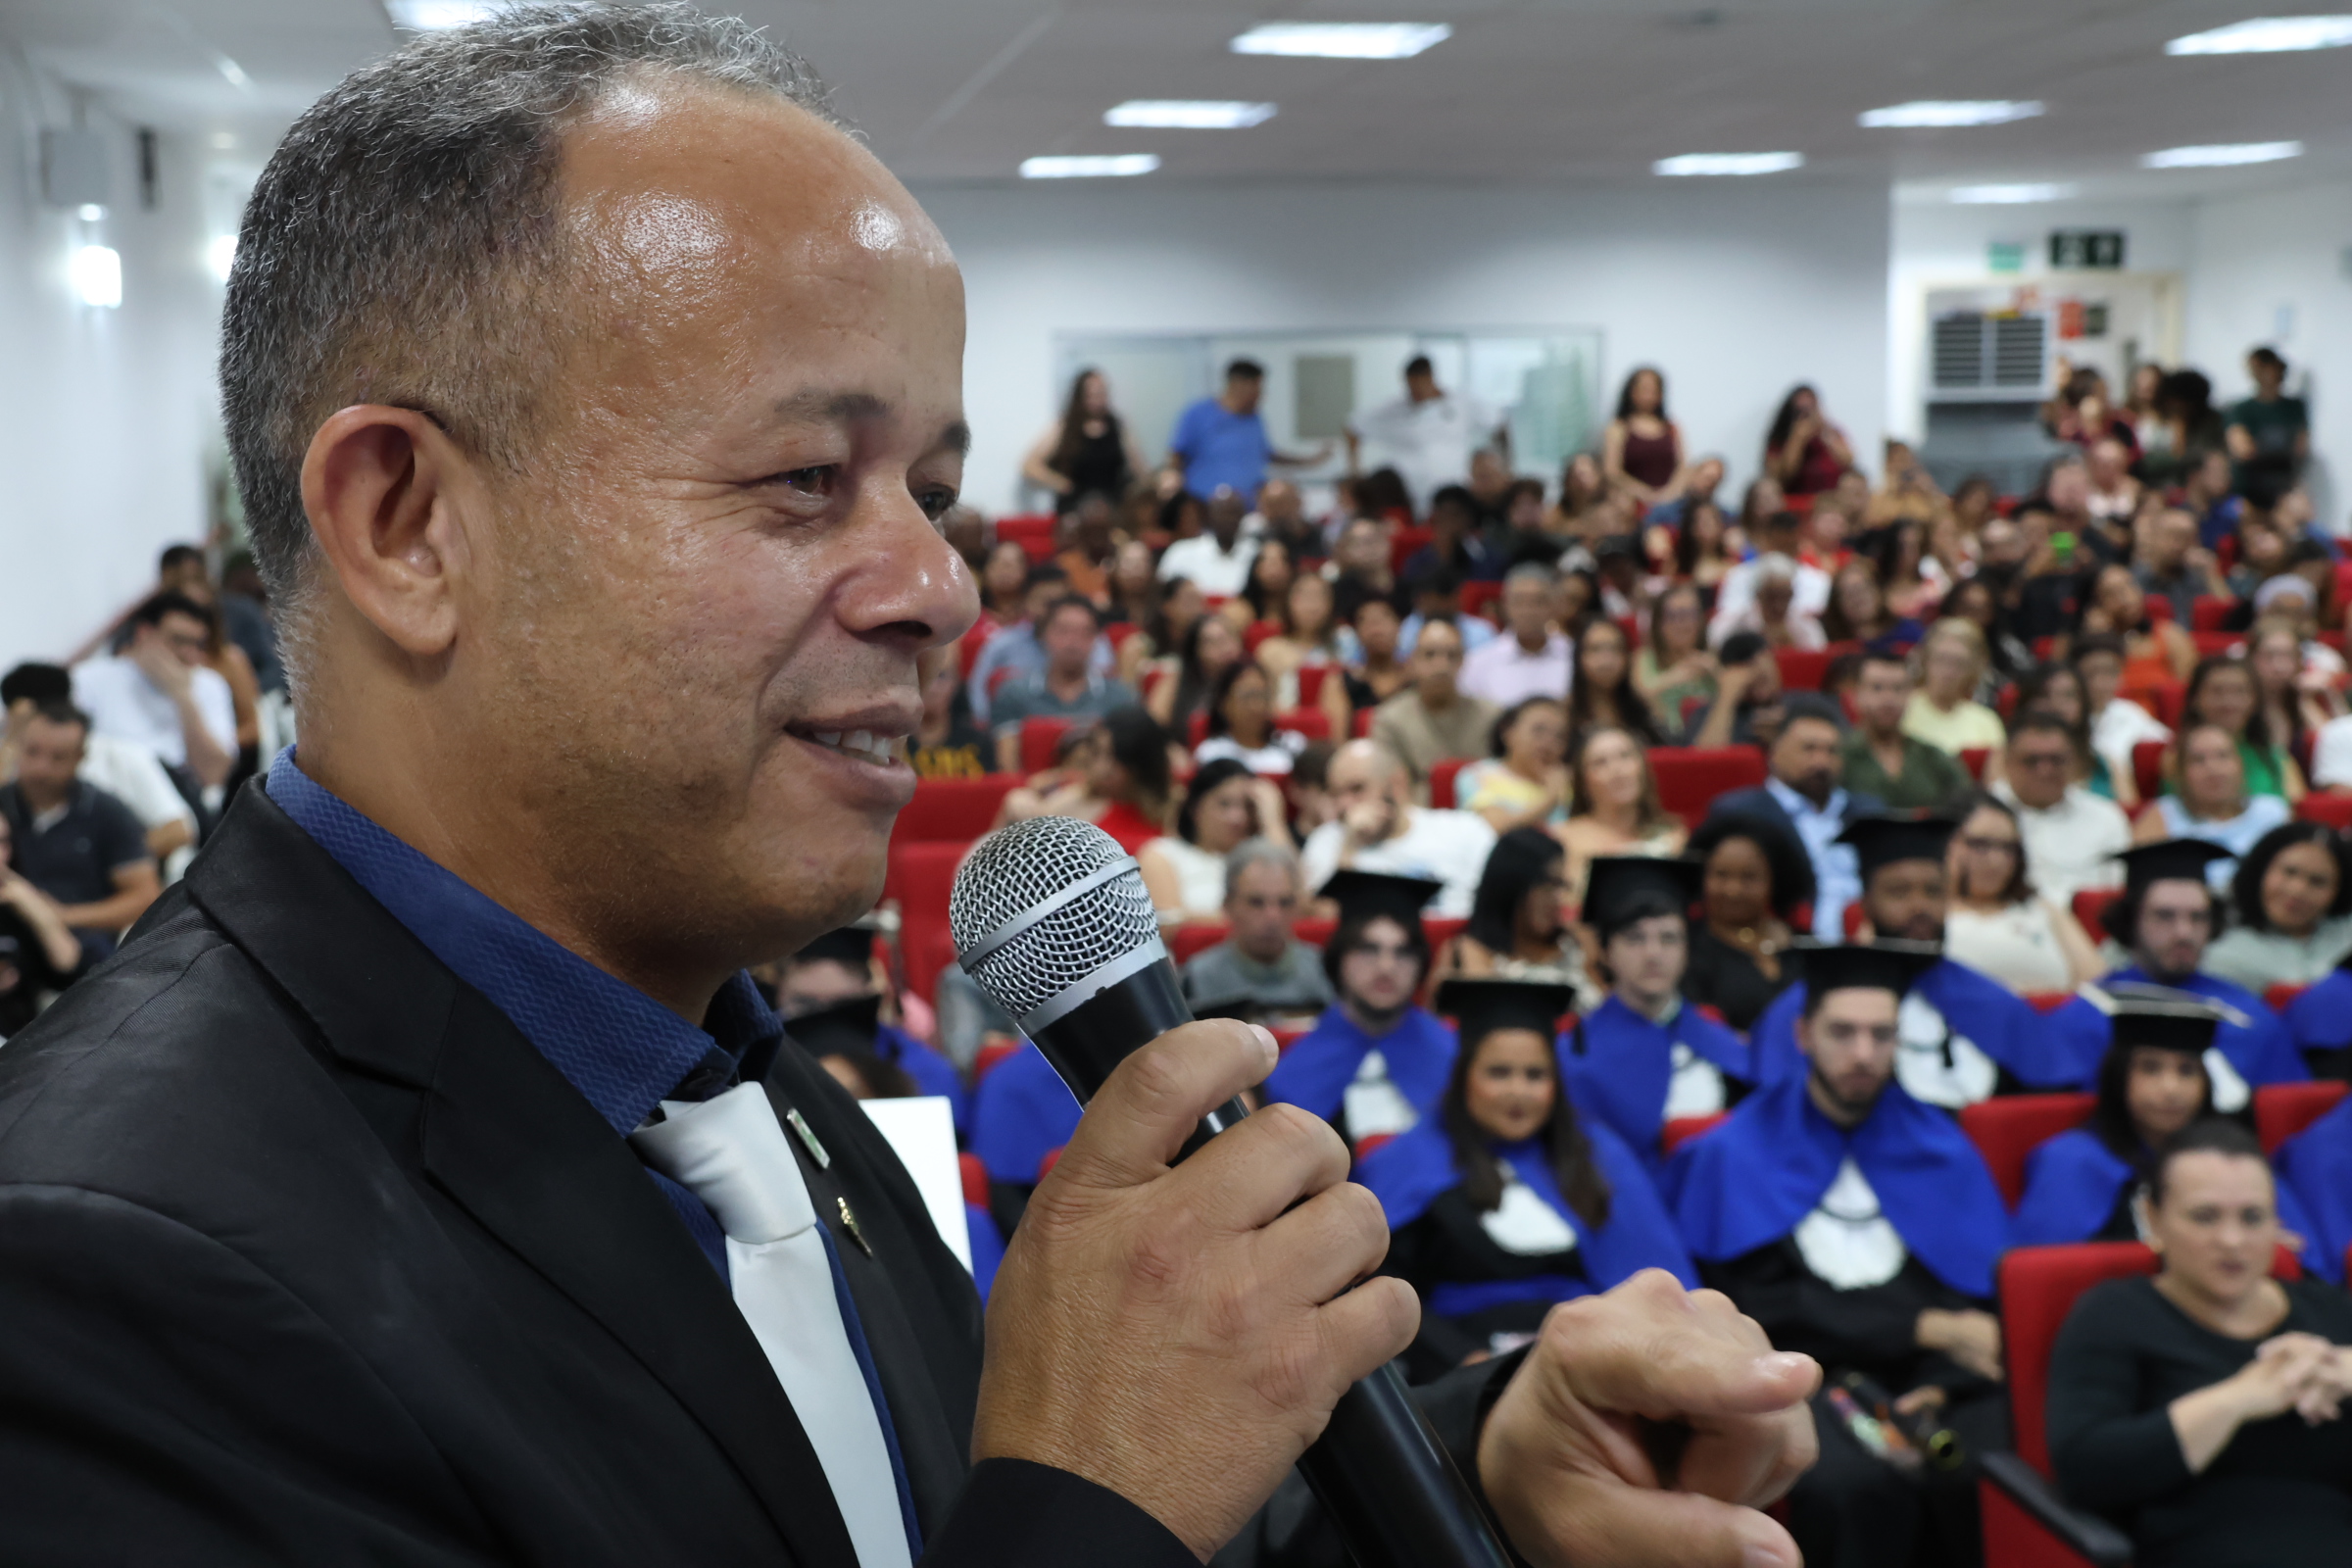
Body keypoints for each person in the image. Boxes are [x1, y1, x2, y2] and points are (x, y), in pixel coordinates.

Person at [0, 14, 1823, 1566]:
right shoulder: (95, 1282)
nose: (941, 585)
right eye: (807, 479)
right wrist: (1087, 1507)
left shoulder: (728, 1070)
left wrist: (1476, 1475)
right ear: (408, 524)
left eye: (933, 493)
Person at [1670, 943, 2011, 1568]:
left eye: (1882, 1034)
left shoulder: (1942, 1148)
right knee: (1852, 1488)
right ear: (1803, 1034)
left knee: (1984, 1467)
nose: (1863, 1054)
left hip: (1930, 1378)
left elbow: (1973, 1297)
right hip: (1801, 1376)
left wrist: (1940, 1384)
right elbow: (1755, 1307)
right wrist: (1922, 1326)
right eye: (1843, 1032)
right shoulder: (1735, 1153)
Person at [2047, 1119, 2352, 1567]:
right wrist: (2239, 1399)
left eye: (2253, 1218)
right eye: (2205, 1217)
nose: (2232, 1241)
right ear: (2153, 1219)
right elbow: (2085, 1470)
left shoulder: (2326, 1310)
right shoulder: (2113, 1314)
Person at [1362, 977, 1696, 1382]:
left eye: (1535, 1075)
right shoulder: (1412, 1161)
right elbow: (1383, 1289)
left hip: (1589, 1355)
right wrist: (1461, 1359)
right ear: (1464, 1076)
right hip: (1467, 1368)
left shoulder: (1596, 1154)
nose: (1518, 1091)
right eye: (1499, 1073)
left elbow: (1650, 1278)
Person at [1746, 813, 2075, 1107]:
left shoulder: (1986, 996)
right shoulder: (1820, 1000)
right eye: (1899, 892)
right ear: (1866, 903)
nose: (1920, 906)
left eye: (1933, 891)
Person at [2045, 841, 2309, 1108]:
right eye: (2164, 916)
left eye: (2198, 917)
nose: (2184, 932)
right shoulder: (2085, 1016)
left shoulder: (2252, 1015)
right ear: (2131, 920)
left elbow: (2287, 1109)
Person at [1558, 857, 1751, 1168]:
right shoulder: (1576, 1054)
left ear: (1687, 949)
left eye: (1669, 938)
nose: (1653, 954)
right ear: (1605, 952)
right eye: (1634, 938)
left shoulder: (1722, 1040)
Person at [1263, 869, 1458, 1156]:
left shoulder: (1453, 1057)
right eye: (1369, 949)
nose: (1386, 967)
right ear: (1340, 957)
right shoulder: (1294, 1072)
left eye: (1403, 952)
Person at [2010, 987, 2227, 1247]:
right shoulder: (2072, 1164)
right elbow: (2047, 1266)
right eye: (2150, 1068)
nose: (2171, 1089)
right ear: (2118, 1077)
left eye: (2187, 1070)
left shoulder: (2224, 1160)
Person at [1704, 699, 1882, 939]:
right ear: (1775, 752)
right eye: (1809, 749)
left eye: (1831, 751)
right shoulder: (1742, 814)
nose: (1821, 762)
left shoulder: (1869, 814)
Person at [0, 703, 161, 963]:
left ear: (80, 757)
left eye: (57, 757)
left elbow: (144, 896)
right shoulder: (4, 804)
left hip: (85, 944)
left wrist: (62, 915)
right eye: (32, 752)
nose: (41, 768)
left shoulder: (107, 812)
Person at [1, 662, 199, 872]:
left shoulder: (120, 755)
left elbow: (179, 830)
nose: (42, 768)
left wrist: (111, 861)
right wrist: (12, 742)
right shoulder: (12, 762)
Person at [774, 924, 967, 1134]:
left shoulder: (924, 1070)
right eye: (804, 1003)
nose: (824, 1020)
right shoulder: (757, 1060)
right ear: (779, 993)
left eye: (843, 1006)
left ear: (870, 993)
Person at [1298, 739, 1497, 918]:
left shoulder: (1465, 830)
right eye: (1336, 794)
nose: (1344, 805)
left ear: (1397, 784)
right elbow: (1326, 919)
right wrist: (1350, 845)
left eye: (1357, 789)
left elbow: (1501, 906)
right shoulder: (1327, 840)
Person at [70, 589, 240, 795]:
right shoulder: (90, 679)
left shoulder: (209, 685)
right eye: (179, 640)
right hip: (115, 792)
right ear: (144, 634)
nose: (189, 654)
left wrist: (183, 697)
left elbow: (214, 775)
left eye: (198, 644)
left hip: (185, 793)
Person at [1940, 791, 2104, 995]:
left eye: (2008, 848)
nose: (1996, 860)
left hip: (2053, 1012)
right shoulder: (1931, 913)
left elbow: (2100, 982)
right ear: (1944, 842)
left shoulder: (2043, 909)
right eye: (1980, 844)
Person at [1177, 838, 1334, 1022]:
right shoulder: (1196, 980)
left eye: (1285, 902)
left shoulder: (1328, 974)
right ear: (1228, 906)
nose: (1273, 917)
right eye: (1256, 902)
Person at [1684, 812, 1813, 1033]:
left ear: (1774, 880)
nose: (1733, 890)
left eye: (1749, 877)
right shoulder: (1688, 950)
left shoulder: (1804, 945)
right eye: (1721, 875)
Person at [1992, 710, 2134, 902]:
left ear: (2074, 762)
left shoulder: (2106, 817)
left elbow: (2115, 894)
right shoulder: (1983, 819)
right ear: (2008, 763)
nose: (2045, 771)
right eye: (2032, 761)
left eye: (2056, 760)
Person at [987, 596, 1138, 772]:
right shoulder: (1014, 693)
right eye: (1063, 631)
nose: (1073, 642)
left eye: (1084, 633)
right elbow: (1008, 768)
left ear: (1096, 639)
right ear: (1043, 634)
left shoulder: (1120, 697)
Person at [998, 705, 1173, 855]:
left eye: (1115, 760)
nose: (1102, 769)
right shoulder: (1079, 798)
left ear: (1140, 764)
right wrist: (1017, 802)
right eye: (1097, 753)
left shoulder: (1172, 809)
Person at [1345, 355, 1504, 514]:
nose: (1415, 392)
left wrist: (1503, 463)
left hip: (1452, 492)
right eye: (1410, 386)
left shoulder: (1461, 402)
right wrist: (1355, 470)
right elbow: (1353, 428)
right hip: (1409, 496)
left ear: (1430, 379)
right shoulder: (1395, 408)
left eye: (1419, 385)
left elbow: (1499, 424)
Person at [2203, 823, 2352, 994]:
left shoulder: (2347, 939)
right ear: (2260, 870)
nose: (2298, 891)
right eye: (2289, 872)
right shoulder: (2220, 955)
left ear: (2340, 890)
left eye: (2317, 881)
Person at [1138, 758, 1289, 922]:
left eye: (1247, 806)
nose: (1237, 817)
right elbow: (1168, 922)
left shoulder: (1258, 857)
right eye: (1224, 804)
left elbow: (1296, 905)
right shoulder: (1162, 855)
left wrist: (1273, 821)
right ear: (1195, 808)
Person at [1446, 826, 1588, 997]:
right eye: (1547, 885)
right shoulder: (1470, 952)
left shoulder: (1577, 944)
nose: (1558, 899)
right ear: (1511, 886)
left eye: (1561, 885)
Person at [2133, 723, 2292, 871]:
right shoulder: (2163, 814)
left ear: (2241, 764)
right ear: (2181, 772)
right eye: (2198, 760)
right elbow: (2143, 877)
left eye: (2223, 756)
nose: (2212, 769)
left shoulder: (2272, 812)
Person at [1168, 358, 1327, 504]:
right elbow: (1176, 457)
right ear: (1238, 385)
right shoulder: (1198, 414)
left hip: (1248, 506)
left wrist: (1309, 461)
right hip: (1206, 505)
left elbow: (1267, 454)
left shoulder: (1254, 419)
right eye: (1257, 388)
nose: (1261, 395)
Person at [1369, 618, 1500, 788]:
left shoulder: (1491, 716)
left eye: (1452, 655)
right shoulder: (1389, 720)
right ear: (1412, 661)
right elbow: (1388, 787)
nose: (1441, 665)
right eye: (1429, 655)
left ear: (1463, 661)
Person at [1840, 651, 1967, 809]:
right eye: (1877, 688)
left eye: (1898, 689)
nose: (1888, 699)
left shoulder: (1932, 756)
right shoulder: (1838, 755)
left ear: (1911, 695)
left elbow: (1970, 804)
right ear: (1856, 695)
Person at [0, 808, 86, 1035]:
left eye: (3, 842)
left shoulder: (17, 902)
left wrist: (34, 907)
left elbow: (68, 970)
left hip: (22, 1038)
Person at [1021, 368, 1144, 514]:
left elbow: (1139, 471)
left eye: (1102, 393)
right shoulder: (1065, 428)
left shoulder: (1118, 427)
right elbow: (1030, 466)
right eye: (1092, 395)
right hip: (1074, 512)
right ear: (1080, 397)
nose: (1098, 400)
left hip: (1112, 511)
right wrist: (1062, 484)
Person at [1457, 563, 1569, 706]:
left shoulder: (1573, 656)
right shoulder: (1477, 664)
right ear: (1505, 606)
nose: (1528, 610)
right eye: (1519, 601)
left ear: (1554, 606)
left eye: (1538, 602)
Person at [1457, 696, 1570, 833]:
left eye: (1559, 736)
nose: (1548, 743)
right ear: (1509, 733)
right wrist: (1550, 798)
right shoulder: (1479, 775)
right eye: (1539, 730)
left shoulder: (1569, 781)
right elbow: (1496, 828)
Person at [1899, 619, 2005, 759]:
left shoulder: (1987, 721)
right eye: (1941, 659)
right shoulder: (1902, 708)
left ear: (1972, 670)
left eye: (1958, 663)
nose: (1948, 672)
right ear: (1925, 661)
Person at [2226, 345, 2311, 504]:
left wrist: (2262, 452)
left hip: (2284, 488)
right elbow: (2244, 451)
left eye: (2265, 368)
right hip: (2247, 490)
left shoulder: (2295, 407)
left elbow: (2300, 450)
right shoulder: (2240, 409)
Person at [1192, 660, 1308, 775]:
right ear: (1223, 703)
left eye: (1263, 696)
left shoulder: (1292, 745)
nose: (1256, 706)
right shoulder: (1213, 753)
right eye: (1247, 696)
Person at [1561, 617, 1661, 746]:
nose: (1607, 660)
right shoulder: (1564, 714)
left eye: (1615, 649)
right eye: (1595, 649)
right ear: (1579, 656)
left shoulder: (1643, 710)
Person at [1636, 580, 1717, 733]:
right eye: (1672, 616)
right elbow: (1639, 698)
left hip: (1708, 739)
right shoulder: (1643, 658)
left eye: (1690, 614)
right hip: (1661, 736)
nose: (1682, 623)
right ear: (1658, 623)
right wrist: (1676, 675)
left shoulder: (1714, 656)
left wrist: (1716, 672)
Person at [1685, 630, 1788, 750]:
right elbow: (1707, 757)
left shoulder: (1799, 704)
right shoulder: (1707, 714)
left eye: (1763, 678)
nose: (1755, 673)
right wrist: (1727, 695)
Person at [1600, 367, 1686, 505]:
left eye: (1653, 390)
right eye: (1643, 389)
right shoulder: (1618, 428)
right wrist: (1645, 494)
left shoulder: (1672, 428)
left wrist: (1669, 494)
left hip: (1669, 500)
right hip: (1630, 501)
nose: (1648, 395)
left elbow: (1682, 467)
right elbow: (1612, 471)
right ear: (1631, 392)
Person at [1156, 489, 1260, 599]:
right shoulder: (1181, 551)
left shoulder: (1255, 552)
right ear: (1209, 516)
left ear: (1242, 516)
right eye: (1221, 512)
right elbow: (1161, 591)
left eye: (1233, 513)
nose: (1228, 519)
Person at [1763, 384, 1854, 497]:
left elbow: (1848, 460)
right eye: (1802, 411)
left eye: (1811, 408)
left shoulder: (1830, 432)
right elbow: (1785, 474)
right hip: (1798, 499)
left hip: (1832, 499)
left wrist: (1826, 435)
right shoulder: (1780, 439)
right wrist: (1798, 438)